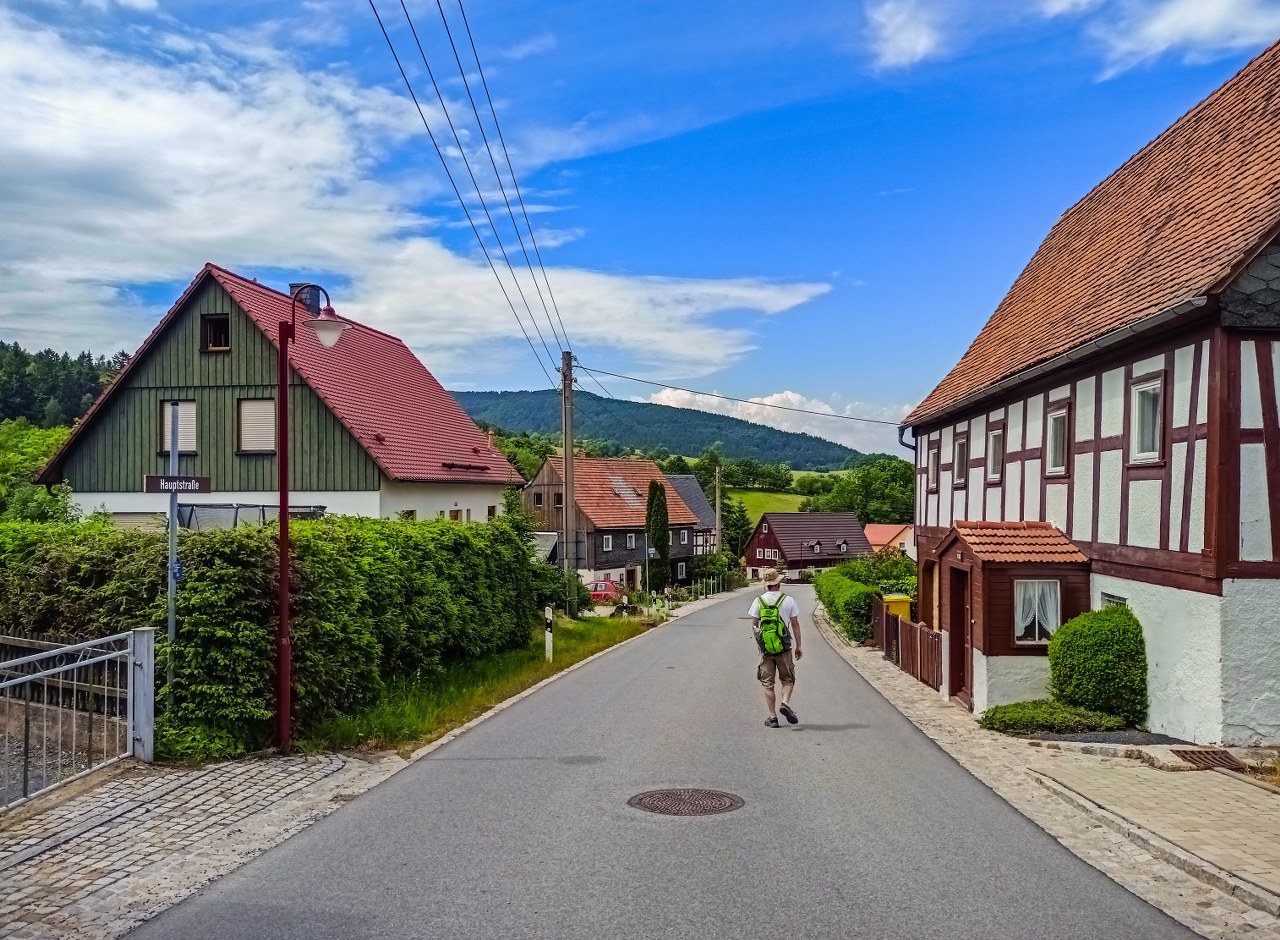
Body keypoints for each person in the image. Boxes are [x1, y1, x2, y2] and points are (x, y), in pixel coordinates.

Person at [748, 569, 802, 728]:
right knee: (788, 679)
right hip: (784, 648)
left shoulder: (758, 601)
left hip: (766, 650)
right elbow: (795, 624)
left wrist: (762, 644)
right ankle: (785, 703)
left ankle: (772, 718)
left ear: (766, 584)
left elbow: (754, 625)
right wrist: (799, 646)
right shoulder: (788, 600)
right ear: (778, 583)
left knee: (768, 683)